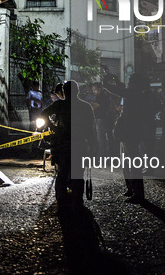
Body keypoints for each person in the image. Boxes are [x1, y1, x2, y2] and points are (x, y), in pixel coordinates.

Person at [40, 81, 96, 211]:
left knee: (62, 173)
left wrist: (53, 126)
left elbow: (43, 113)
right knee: (78, 174)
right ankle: (77, 201)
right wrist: (93, 145)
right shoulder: (85, 106)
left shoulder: (59, 104)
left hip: (63, 143)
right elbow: (90, 129)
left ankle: (61, 200)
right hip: (79, 144)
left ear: (64, 92)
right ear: (78, 91)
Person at [104, 73, 158, 203]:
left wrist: (106, 84)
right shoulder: (142, 94)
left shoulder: (134, 94)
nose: (128, 83)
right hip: (131, 132)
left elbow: (118, 90)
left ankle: (137, 192)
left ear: (134, 84)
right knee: (128, 161)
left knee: (132, 162)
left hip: (129, 132)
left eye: (130, 81)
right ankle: (132, 189)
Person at [90, 82, 112, 157]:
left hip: (101, 119)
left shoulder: (101, 96)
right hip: (99, 118)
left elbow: (94, 106)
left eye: (95, 89)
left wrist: (90, 103)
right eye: (93, 90)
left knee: (100, 138)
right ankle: (100, 154)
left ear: (100, 89)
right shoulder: (100, 96)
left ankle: (101, 154)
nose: (94, 91)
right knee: (99, 138)